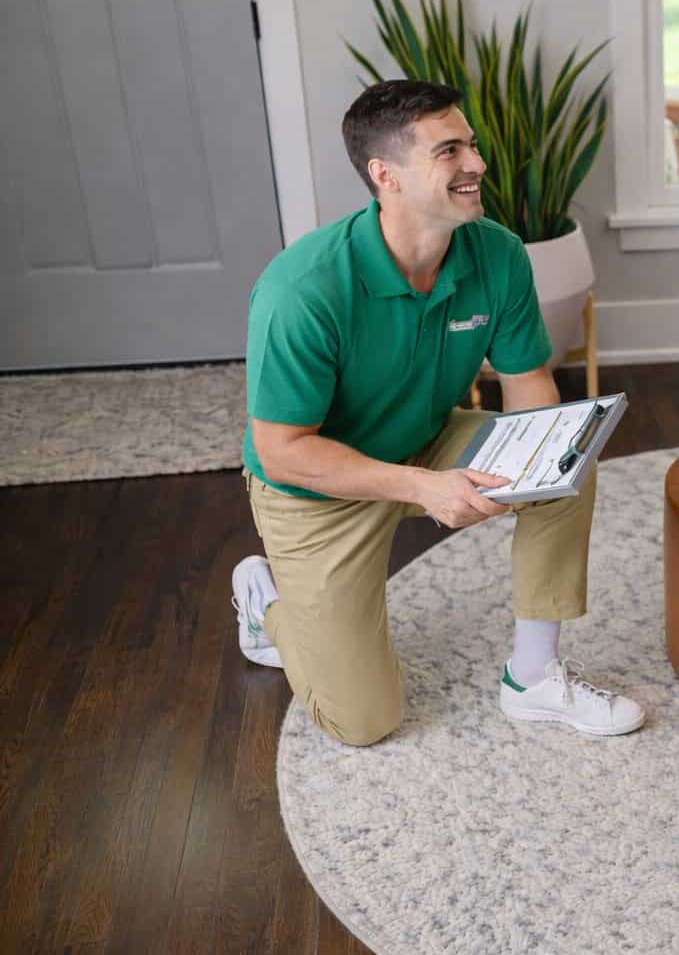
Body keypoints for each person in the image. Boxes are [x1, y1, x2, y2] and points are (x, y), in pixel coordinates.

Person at [230, 79, 643, 745]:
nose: (477, 165)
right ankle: (268, 605)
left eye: (472, 145)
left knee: (565, 459)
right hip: (315, 487)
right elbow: (283, 449)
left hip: (422, 438)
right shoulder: (302, 291)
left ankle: (533, 679)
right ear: (385, 175)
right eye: (449, 151)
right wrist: (423, 488)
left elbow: (529, 380)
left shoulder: (496, 254)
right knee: (363, 722)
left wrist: (537, 465)